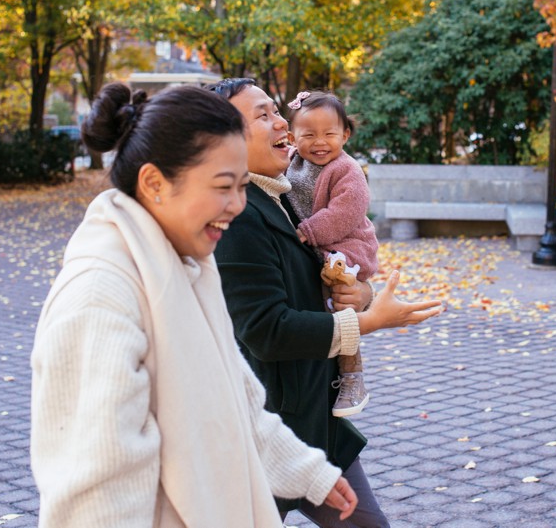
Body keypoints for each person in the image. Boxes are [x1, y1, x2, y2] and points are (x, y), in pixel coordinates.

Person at [30, 83, 358, 527]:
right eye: (223, 186)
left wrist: (309, 472)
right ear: (154, 183)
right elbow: (96, 489)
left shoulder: (186, 265)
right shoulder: (99, 295)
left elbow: (235, 401)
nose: (237, 205)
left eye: (243, 186)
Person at [209, 78, 443, 528]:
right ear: (222, 138)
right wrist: (370, 323)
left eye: (276, 110)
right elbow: (268, 330)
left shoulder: (278, 196)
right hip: (270, 432)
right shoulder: (235, 216)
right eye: (263, 115)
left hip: (313, 420)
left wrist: (363, 294)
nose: (282, 123)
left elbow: (319, 274)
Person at [284, 90, 379, 418]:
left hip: (349, 244)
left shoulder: (347, 169)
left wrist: (309, 231)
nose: (319, 142)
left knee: (338, 299)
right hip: (319, 243)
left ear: (346, 135)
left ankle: (352, 374)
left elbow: (346, 212)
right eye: (308, 134)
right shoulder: (291, 163)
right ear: (291, 137)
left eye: (329, 134)